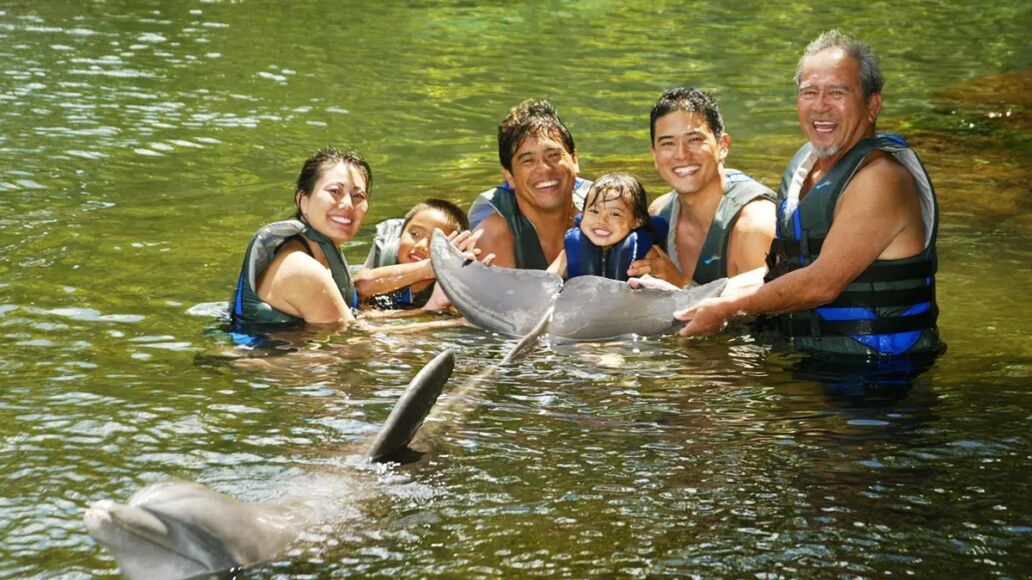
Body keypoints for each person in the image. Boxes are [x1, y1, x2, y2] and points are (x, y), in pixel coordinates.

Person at [676, 30, 944, 359]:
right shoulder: (809, 168)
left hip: (878, 376)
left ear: (872, 105)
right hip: (814, 356)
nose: (820, 106)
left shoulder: (880, 179)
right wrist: (692, 301)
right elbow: (785, 272)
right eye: (810, 92)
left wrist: (728, 309)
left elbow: (820, 284)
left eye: (837, 92)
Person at [628, 87, 776, 287]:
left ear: (723, 145)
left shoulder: (753, 226)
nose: (681, 154)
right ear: (654, 155)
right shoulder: (660, 212)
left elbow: (764, 312)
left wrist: (681, 284)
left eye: (695, 140)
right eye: (668, 143)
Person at [231, 147, 370, 327]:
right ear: (303, 201)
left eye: (358, 195)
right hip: (264, 355)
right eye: (335, 191)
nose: (348, 204)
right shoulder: (302, 268)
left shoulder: (316, 251)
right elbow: (351, 342)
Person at [468, 98, 593, 270]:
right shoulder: (491, 237)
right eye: (528, 161)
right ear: (509, 176)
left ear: (574, 159)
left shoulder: (605, 211)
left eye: (553, 155)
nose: (544, 169)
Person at [548, 172, 666, 281]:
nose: (601, 221)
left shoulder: (646, 254)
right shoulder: (569, 252)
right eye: (594, 211)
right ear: (582, 214)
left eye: (615, 214)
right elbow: (546, 284)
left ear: (637, 221)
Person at [355, 198, 470, 309]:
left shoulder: (450, 293)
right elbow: (360, 286)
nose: (422, 246)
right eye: (415, 234)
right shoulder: (378, 269)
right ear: (400, 235)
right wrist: (431, 267)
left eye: (435, 241)